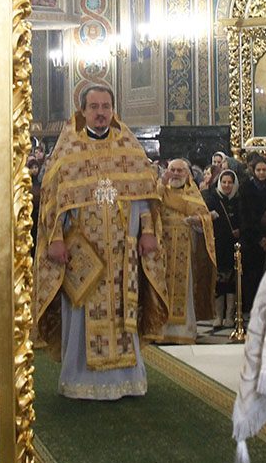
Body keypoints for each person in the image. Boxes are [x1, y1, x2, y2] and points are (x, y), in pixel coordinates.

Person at [32, 84, 168, 399]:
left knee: (123, 310)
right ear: (82, 111)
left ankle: (126, 380)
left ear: (113, 110)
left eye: (106, 106)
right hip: (82, 252)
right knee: (81, 311)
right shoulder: (69, 151)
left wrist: (148, 230)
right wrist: (55, 239)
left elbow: (143, 195)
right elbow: (53, 201)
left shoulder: (129, 147)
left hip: (122, 254)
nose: (101, 113)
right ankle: (79, 381)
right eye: (94, 107)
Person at [156, 159, 215, 343]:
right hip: (161, 246)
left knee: (185, 287)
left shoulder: (192, 192)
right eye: (172, 170)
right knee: (161, 287)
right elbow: (150, 206)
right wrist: (161, 182)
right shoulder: (160, 189)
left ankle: (183, 332)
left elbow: (204, 216)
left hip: (185, 246)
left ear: (187, 174)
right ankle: (160, 330)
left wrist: (198, 220)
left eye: (179, 170)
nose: (175, 173)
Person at [202, 169, 242, 329]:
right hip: (218, 243)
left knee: (232, 280)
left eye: (230, 182)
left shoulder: (239, 200)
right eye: (224, 182)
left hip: (234, 244)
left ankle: (230, 315)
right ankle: (218, 315)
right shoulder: (212, 199)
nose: (226, 185)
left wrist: (240, 230)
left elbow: (244, 219)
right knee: (218, 281)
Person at [239, 156, 266, 313]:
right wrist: (257, 237)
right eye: (258, 170)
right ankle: (251, 306)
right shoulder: (245, 188)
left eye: (264, 170)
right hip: (251, 237)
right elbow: (244, 214)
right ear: (253, 171)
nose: (261, 173)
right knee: (251, 275)